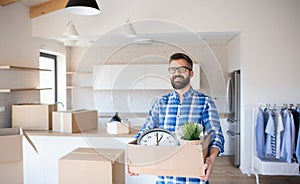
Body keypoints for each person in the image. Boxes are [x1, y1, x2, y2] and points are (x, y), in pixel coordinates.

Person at [129, 52, 225, 184]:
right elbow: (145, 131)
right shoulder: (160, 103)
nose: (177, 73)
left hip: (194, 179)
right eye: (173, 69)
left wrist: (211, 159)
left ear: (191, 73)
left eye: (182, 69)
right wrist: (135, 157)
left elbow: (216, 135)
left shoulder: (205, 102)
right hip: (164, 179)